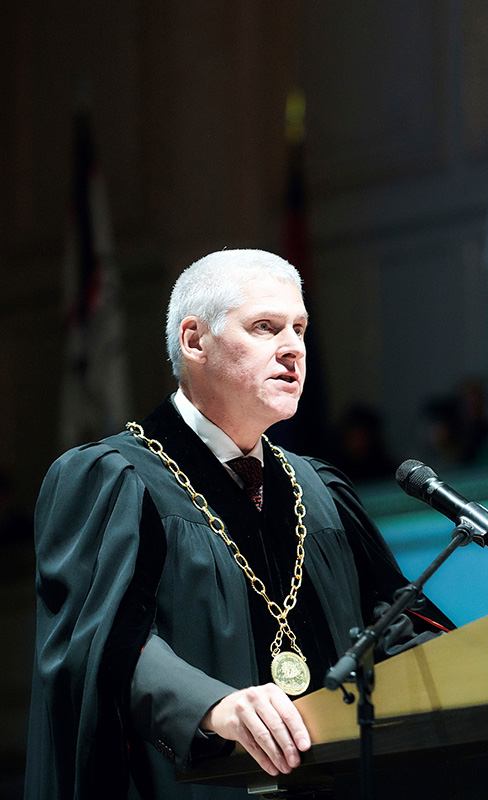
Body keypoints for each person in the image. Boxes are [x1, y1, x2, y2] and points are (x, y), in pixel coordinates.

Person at [26, 250, 452, 799]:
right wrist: (211, 705)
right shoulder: (112, 478)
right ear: (195, 340)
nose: (293, 348)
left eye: (299, 328)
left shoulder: (319, 490)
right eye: (265, 327)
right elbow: (98, 641)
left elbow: (392, 625)